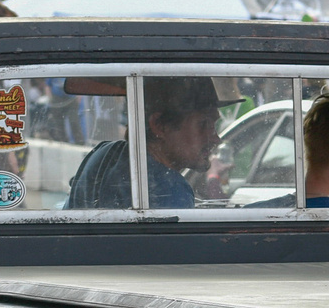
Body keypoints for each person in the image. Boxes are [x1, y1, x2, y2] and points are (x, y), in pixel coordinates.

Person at [65, 75, 227, 209]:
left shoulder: (103, 154)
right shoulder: (170, 189)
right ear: (159, 126)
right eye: (203, 125)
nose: (216, 138)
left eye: (214, 125)